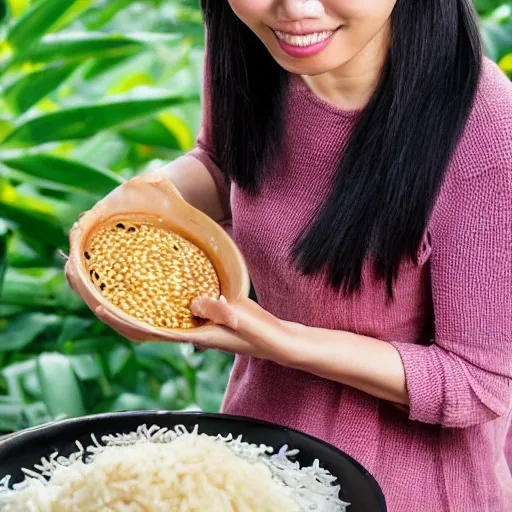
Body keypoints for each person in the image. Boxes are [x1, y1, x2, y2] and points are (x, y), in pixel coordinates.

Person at [65, 1, 512, 510]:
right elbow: (224, 161)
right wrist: (130, 212)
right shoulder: (258, 39)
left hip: (404, 490)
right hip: (252, 462)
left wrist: (280, 341)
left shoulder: (489, 131)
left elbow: (478, 383)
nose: (296, 11)